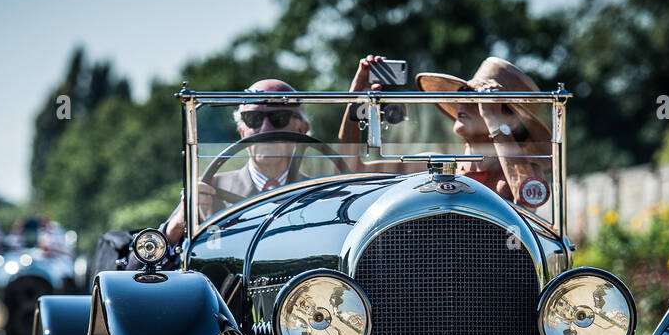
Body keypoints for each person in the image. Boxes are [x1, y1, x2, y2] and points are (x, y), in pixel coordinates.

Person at [342, 55, 552, 209]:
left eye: (477, 98)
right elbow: (351, 170)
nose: (462, 101)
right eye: (463, 92)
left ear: (506, 117)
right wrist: (354, 100)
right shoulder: (434, 165)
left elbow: (525, 202)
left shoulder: (527, 172)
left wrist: (493, 120)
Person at [159, 79, 312, 250]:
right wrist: (179, 224)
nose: (265, 128)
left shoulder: (321, 195)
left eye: (279, 118)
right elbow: (141, 266)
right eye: (253, 119)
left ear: (302, 129)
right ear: (241, 132)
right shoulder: (208, 189)